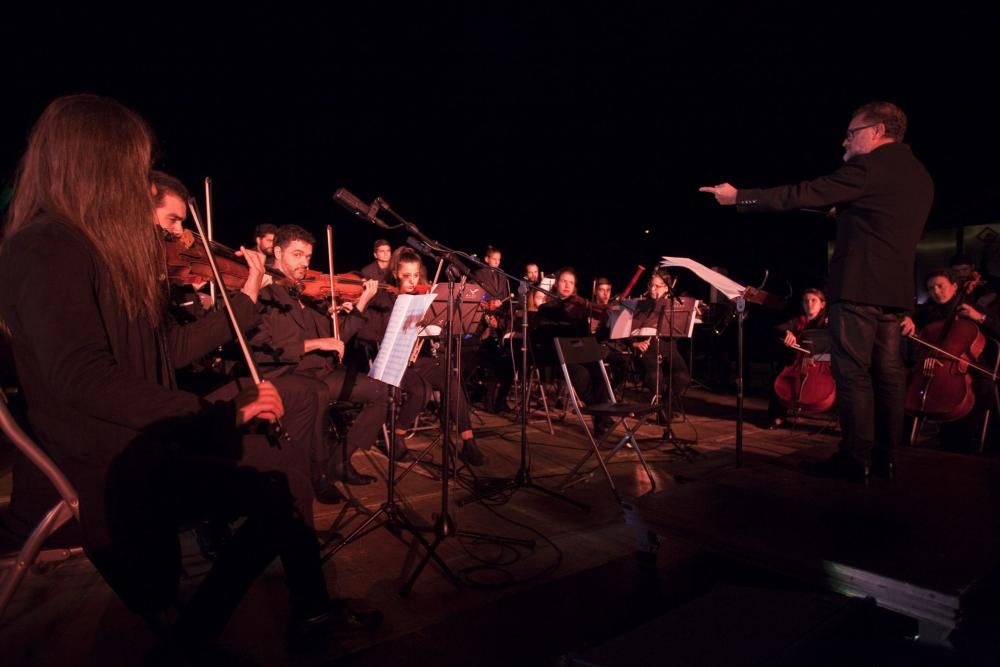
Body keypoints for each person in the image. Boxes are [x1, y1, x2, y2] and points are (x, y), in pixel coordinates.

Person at [0, 94, 379, 656]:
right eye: (133, 167)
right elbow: (82, 377)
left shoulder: (93, 251)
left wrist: (243, 310)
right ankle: (198, 631)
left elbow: (166, 350)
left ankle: (297, 614)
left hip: (146, 440)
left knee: (285, 479)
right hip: (115, 462)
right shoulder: (43, 246)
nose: (139, 184)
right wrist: (220, 414)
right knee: (277, 484)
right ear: (99, 163)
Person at [701, 101, 934, 482]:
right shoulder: (919, 174)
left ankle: (854, 458)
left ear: (876, 131)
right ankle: (885, 457)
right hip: (894, 290)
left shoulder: (868, 166)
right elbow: (883, 220)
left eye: (852, 132)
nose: (845, 139)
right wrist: (845, 214)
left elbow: (802, 192)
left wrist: (740, 196)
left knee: (854, 373)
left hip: (859, 287)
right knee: (888, 373)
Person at [249, 224, 389, 487]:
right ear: (278, 252)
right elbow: (263, 348)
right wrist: (314, 343)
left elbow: (336, 340)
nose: (304, 262)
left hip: (321, 372)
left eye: (308, 257)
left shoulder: (312, 294)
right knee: (317, 394)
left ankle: (338, 460)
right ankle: (316, 473)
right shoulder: (262, 292)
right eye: (297, 255)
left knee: (382, 392)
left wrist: (360, 304)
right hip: (287, 374)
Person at [353, 248, 488, 465]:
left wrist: (435, 326)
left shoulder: (424, 298)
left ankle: (468, 442)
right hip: (396, 362)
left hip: (419, 359)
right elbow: (368, 334)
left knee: (451, 382)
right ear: (396, 273)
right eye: (406, 276)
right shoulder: (385, 300)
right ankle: (398, 438)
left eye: (415, 275)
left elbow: (439, 327)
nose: (412, 281)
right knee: (420, 391)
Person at [901, 270, 1000, 452]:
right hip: (930, 368)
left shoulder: (972, 308)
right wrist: (908, 319)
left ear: (955, 287)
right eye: (931, 288)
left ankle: (964, 442)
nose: (936, 292)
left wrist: (979, 318)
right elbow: (909, 317)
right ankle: (903, 443)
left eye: (940, 286)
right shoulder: (928, 311)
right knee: (903, 387)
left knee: (982, 389)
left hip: (969, 368)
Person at [768, 288, 831, 429]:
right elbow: (779, 329)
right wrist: (787, 332)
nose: (809, 304)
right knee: (780, 371)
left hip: (825, 362)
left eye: (814, 300)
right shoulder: (799, 320)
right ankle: (777, 415)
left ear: (823, 304)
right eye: (806, 301)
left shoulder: (830, 320)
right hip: (802, 361)